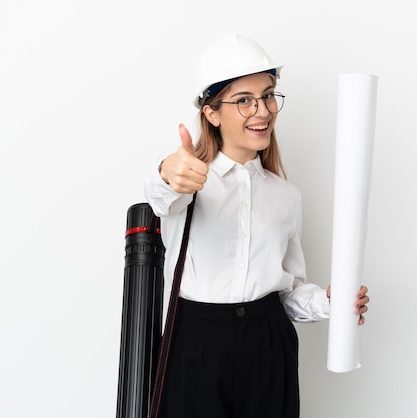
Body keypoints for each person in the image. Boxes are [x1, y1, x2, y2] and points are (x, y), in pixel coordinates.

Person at [144, 33, 370, 418]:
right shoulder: (191, 180)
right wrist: (167, 171)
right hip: (196, 343)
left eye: (267, 95)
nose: (262, 110)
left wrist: (331, 302)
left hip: (269, 343)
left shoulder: (286, 196)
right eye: (244, 100)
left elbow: (287, 294)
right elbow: (160, 197)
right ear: (212, 113)